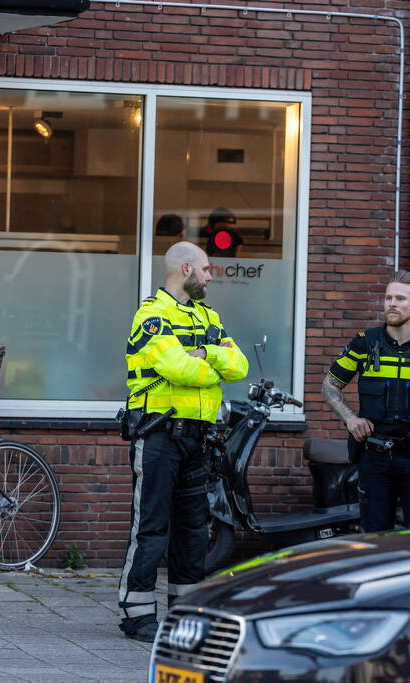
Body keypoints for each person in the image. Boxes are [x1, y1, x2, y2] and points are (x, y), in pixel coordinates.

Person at [117, 241, 248, 642]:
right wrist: (212, 363)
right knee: (152, 527)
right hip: (159, 434)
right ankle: (137, 615)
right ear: (187, 268)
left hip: (199, 438)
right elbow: (177, 369)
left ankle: (186, 612)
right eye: (207, 269)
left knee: (193, 529)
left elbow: (239, 366)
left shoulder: (209, 316)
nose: (211, 276)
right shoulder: (152, 315)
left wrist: (203, 353)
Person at [322, 271, 410, 532]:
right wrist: (350, 418)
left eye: (400, 298)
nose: (391, 303)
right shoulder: (364, 344)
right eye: (388, 297)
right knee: (374, 537)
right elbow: (330, 384)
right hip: (375, 457)